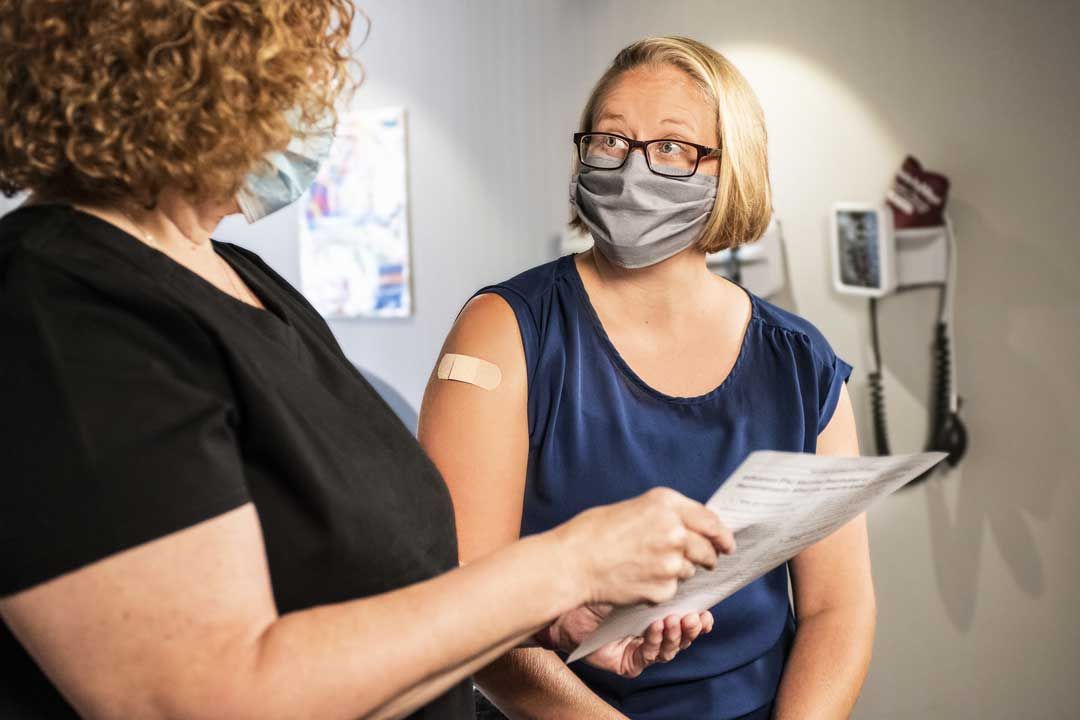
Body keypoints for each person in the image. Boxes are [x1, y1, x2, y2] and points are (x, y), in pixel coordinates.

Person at [0, 8, 737, 719]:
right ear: (195, 78)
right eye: (293, 71)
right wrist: (565, 563)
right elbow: (204, 698)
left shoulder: (243, 279)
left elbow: (357, 588)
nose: (318, 99)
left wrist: (547, 618)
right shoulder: (57, 309)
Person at [420, 36, 876, 720]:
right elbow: (463, 603)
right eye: (610, 140)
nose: (632, 168)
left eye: (671, 146)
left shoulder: (799, 363)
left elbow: (838, 608)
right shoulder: (506, 331)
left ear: (731, 169)